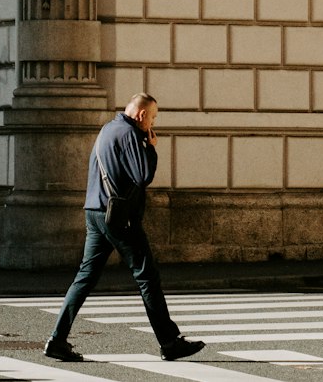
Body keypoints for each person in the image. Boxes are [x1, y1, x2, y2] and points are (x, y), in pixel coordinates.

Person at [44, 93, 203, 363]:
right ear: (141, 115)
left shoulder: (107, 129)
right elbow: (143, 176)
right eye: (152, 117)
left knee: (85, 277)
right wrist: (151, 147)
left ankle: (57, 340)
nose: (153, 123)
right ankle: (169, 342)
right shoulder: (130, 134)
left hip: (95, 212)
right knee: (147, 277)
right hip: (119, 217)